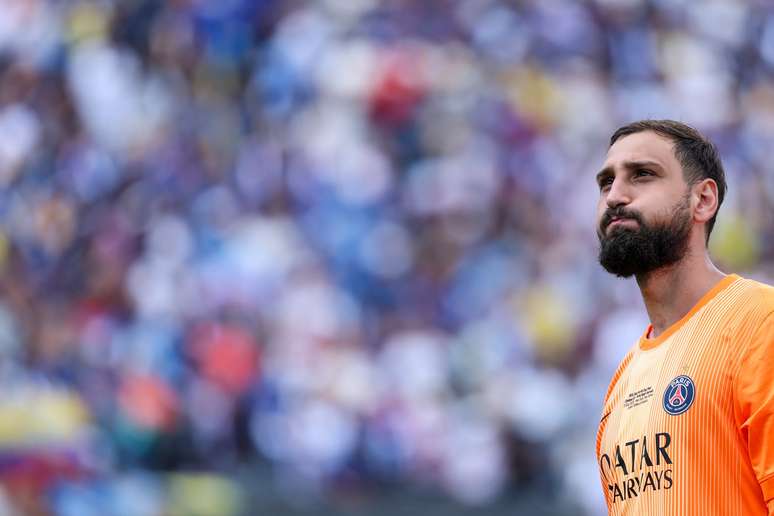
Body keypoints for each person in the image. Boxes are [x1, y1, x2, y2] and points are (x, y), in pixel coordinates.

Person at [594, 120, 774, 515]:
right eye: (606, 183)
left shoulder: (760, 323)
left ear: (703, 200)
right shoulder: (623, 383)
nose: (615, 196)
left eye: (642, 174)